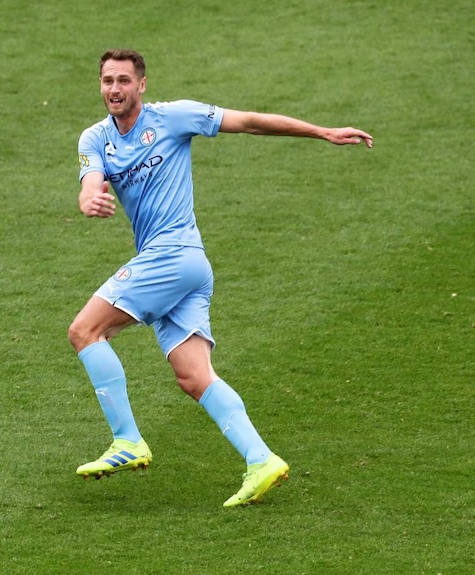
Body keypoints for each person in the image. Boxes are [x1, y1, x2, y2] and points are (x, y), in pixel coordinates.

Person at [69, 49, 373, 507]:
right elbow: (91, 180)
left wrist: (321, 132)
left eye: (124, 81)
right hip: (186, 267)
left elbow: (249, 121)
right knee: (194, 376)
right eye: (108, 81)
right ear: (100, 85)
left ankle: (127, 440)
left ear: (142, 85)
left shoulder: (174, 117)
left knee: (85, 330)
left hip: (173, 255)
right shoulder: (94, 138)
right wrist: (88, 199)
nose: (115, 89)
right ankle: (261, 459)